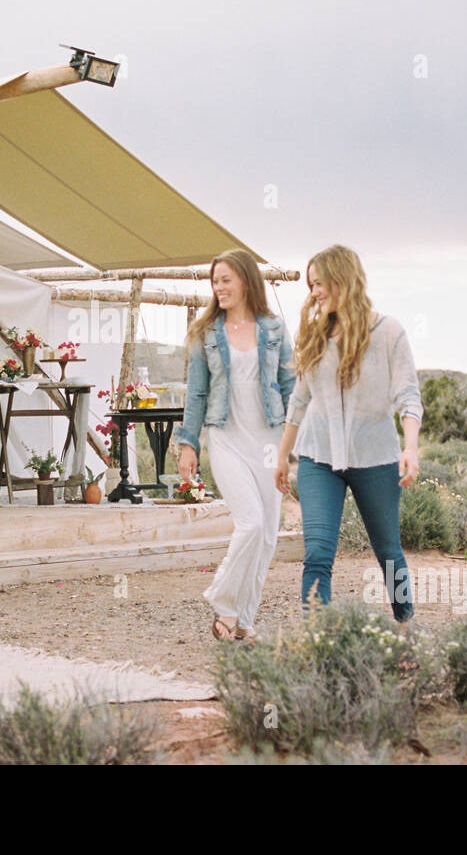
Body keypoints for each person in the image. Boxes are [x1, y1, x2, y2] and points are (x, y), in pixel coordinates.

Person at [273, 244, 422, 624]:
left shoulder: (388, 332)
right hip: (318, 458)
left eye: (320, 283)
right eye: (311, 286)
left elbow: (408, 396)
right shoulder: (315, 334)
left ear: (344, 278)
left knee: (388, 551)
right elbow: (299, 399)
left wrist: (411, 449)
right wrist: (282, 456)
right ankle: (317, 639)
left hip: (375, 458)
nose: (315, 293)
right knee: (318, 552)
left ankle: (405, 622)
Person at [175, 249, 296, 642]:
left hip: (269, 441)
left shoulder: (275, 329)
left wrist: (296, 444)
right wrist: (187, 444)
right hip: (225, 437)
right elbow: (196, 394)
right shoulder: (205, 332)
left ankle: (244, 618)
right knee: (251, 523)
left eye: (226, 279)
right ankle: (224, 603)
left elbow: (292, 386)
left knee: (267, 535)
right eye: (215, 281)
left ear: (246, 281)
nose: (219, 287)